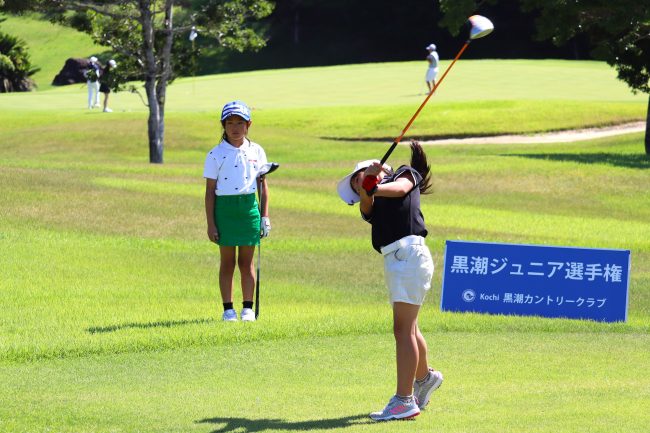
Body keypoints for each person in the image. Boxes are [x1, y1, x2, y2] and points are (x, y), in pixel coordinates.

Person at [337, 141, 443, 421]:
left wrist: (373, 183)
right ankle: (425, 379)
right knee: (410, 328)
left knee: (402, 330)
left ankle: (404, 400)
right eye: (356, 186)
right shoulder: (371, 204)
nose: (359, 186)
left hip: (409, 254)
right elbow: (367, 204)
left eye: (359, 178)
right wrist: (368, 187)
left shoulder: (405, 174)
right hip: (397, 260)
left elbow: (400, 189)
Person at [203, 101, 271, 322]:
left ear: (248, 124)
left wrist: (265, 216)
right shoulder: (215, 154)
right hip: (225, 211)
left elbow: (262, 186)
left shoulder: (256, 151)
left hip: (248, 209)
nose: (235, 128)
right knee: (227, 263)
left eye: (240, 123)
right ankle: (228, 310)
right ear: (223, 125)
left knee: (246, 262)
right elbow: (210, 192)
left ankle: (248, 308)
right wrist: (211, 223)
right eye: (230, 123)